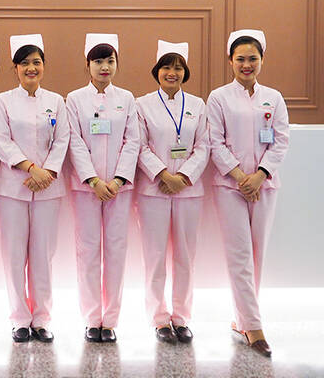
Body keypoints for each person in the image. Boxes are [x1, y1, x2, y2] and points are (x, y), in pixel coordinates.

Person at [207, 29, 289, 358]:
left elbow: (280, 140)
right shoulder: (219, 98)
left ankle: (241, 319)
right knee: (240, 255)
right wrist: (242, 177)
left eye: (252, 58)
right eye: (240, 59)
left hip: (264, 185)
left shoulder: (274, 97)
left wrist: (260, 175)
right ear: (230, 61)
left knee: (257, 255)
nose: (246, 64)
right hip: (230, 186)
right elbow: (214, 142)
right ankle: (254, 327)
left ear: (262, 60)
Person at [0, 34, 70, 343]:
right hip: (13, 187)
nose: (31, 68)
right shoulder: (3, 101)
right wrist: (30, 168)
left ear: (43, 66)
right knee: (14, 253)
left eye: (36, 62)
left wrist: (46, 171)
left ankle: (42, 318)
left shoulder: (56, 102)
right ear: (15, 68)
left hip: (48, 187)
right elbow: (1, 140)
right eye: (24, 63)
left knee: (43, 253)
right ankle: (20, 318)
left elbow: (62, 140)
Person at [66, 33, 139, 344]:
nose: (104, 66)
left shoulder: (127, 99)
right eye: (98, 61)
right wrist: (94, 180)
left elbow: (132, 141)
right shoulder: (74, 99)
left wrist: (118, 180)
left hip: (118, 189)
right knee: (88, 251)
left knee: (116, 250)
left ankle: (110, 320)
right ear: (88, 65)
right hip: (86, 188)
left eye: (110, 60)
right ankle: (91, 317)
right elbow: (75, 141)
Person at [135, 40, 209, 344]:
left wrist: (183, 177)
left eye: (178, 67)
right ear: (157, 70)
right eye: (166, 66)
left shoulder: (198, 105)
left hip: (188, 191)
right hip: (154, 189)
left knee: (185, 256)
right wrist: (163, 174)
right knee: (155, 256)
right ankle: (159, 318)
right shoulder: (142, 105)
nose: (172, 72)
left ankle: (181, 316)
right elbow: (139, 146)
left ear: (185, 72)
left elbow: (203, 146)